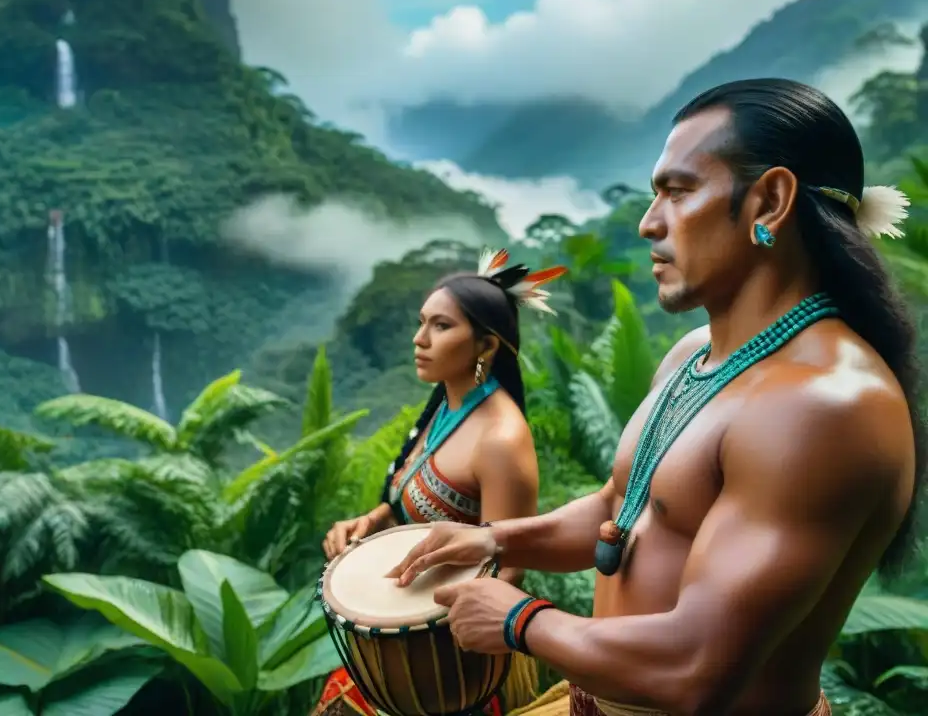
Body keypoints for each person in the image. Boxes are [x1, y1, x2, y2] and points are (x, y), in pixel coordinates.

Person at [386, 78, 925, 716]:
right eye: (654, 195)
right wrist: (499, 540)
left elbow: (698, 668)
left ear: (769, 201)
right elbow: (630, 509)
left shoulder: (823, 408)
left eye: (679, 190)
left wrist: (521, 621)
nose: (648, 223)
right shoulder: (692, 355)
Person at [312, 250, 568, 716]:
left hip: (453, 662)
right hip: (403, 635)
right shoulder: (446, 409)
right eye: (421, 322)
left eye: (441, 326)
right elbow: (408, 507)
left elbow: (508, 567)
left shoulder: (500, 440)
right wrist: (370, 521)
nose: (419, 339)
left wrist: (413, 621)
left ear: (486, 346)